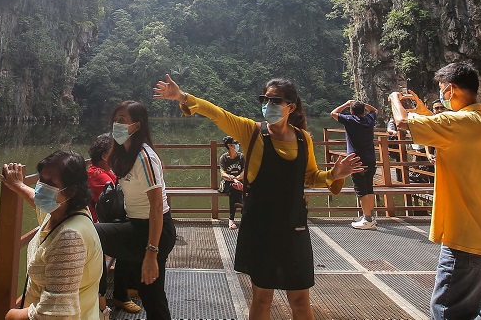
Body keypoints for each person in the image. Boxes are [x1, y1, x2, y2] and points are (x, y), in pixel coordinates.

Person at [155, 75, 364, 320]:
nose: (269, 105)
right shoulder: (251, 131)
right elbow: (217, 113)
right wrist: (181, 96)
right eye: (265, 99)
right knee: (262, 298)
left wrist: (334, 174)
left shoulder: (302, 138)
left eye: (275, 100)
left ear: (291, 107)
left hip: (293, 228)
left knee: (299, 300)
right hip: (261, 227)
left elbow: (310, 177)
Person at [391, 61, 481, 320]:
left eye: (441, 90)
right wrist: (424, 110)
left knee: (447, 313)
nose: (441, 95)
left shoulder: (459, 122)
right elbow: (442, 127)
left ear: (451, 88)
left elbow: (402, 122)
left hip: (467, 240)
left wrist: (393, 98)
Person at [95, 101, 176, 320]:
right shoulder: (125, 153)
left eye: (122, 120)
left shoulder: (144, 157)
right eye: (115, 119)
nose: (116, 124)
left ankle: (100, 303)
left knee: (90, 234)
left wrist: (151, 252)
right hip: (139, 227)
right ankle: (104, 298)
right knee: (152, 296)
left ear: (137, 126)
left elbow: (157, 206)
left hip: (153, 232)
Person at [0, 151, 104, 320]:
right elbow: (38, 200)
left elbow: (55, 314)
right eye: (41, 179)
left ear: (70, 191)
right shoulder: (63, 211)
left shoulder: (69, 238)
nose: (41, 187)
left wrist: (12, 315)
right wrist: (17, 184)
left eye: (49, 183)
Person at [88, 133, 142, 315]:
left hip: (104, 224)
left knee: (133, 233)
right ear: (105, 155)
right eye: (115, 151)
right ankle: (121, 294)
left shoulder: (106, 172)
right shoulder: (98, 176)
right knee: (128, 240)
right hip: (95, 227)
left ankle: (129, 286)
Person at [331, 99, 379, 230]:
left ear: (351, 111)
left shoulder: (350, 120)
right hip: (370, 159)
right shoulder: (369, 120)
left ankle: (367, 219)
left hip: (356, 160)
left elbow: (333, 113)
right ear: (364, 111)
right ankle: (369, 217)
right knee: (369, 188)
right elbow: (374, 110)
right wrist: (363, 105)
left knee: (361, 190)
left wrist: (346, 104)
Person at [219, 135, 245, 229]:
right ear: (230, 145)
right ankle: (232, 218)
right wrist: (234, 180)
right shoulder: (224, 158)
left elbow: (244, 171)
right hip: (227, 183)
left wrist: (237, 179)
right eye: (236, 143)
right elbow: (223, 174)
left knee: (242, 189)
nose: (238, 145)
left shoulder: (241, 157)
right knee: (233, 188)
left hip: (240, 182)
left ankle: (236, 217)